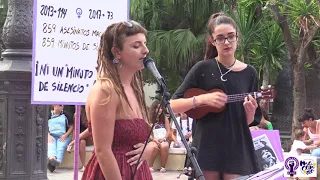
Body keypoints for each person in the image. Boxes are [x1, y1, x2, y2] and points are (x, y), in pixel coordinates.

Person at [170, 12, 262, 180]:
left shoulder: (250, 73)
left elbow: (250, 121)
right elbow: (171, 105)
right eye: (220, 38)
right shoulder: (202, 69)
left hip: (236, 147)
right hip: (206, 145)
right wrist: (201, 99)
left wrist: (249, 114)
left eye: (230, 36)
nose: (226, 42)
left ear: (237, 37)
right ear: (212, 41)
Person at [81, 20, 153, 180]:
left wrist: (150, 147)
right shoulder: (105, 90)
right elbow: (102, 151)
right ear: (117, 52)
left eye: (145, 44)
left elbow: (148, 136)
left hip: (138, 172)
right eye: (136, 46)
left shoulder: (135, 88)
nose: (145, 51)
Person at [47, 105, 74, 172]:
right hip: (51, 135)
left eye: (62, 106)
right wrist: (48, 136)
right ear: (54, 105)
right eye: (60, 105)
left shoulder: (66, 115)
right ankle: (52, 159)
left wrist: (65, 135)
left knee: (61, 146)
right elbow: (43, 125)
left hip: (63, 136)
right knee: (51, 145)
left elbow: (71, 126)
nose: (62, 107)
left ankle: (56, 162)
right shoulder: (48, 114)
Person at [146, 100, 170, 173]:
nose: (159, 110)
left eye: (160, 108)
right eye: (157, 108)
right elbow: (147, 133)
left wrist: (164, 138)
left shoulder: (164, 118)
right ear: (154, 109)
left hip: (163, 138)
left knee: (164, 146)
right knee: (154, 147)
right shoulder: (149, 118)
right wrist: (154, 140)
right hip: (153, 139)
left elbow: (168, 130)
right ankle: (150, 166)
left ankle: (163, 167)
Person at [67, 106, 93, 172]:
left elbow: (90, 130)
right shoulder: (77, 115)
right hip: (81, 137)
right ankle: (84, 165)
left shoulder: (91, 113)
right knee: (82, 142)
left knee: (81, 140)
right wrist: (73, 141)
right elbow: (75, 130)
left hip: (91, 136)